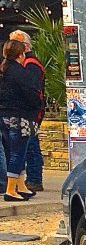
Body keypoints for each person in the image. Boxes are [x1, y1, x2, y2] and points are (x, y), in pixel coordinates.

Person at [0, 39, 42, 201]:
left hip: (3, 115)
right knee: (19, 152)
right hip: (21, 116)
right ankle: (11, 189)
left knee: (12, 151)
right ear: (21, 54)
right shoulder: (21, 72)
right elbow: (32, 94)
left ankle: (21, 185)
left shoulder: (3, 70)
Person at [9, 30, 46, 191]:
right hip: (24, 111)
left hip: (29, 112)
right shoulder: (21, 64)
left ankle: (35, 179)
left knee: (30, 145)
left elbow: (32, 89)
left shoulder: (30, 64)